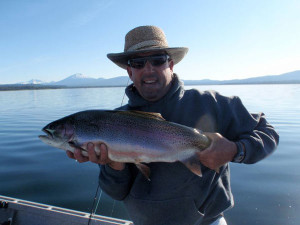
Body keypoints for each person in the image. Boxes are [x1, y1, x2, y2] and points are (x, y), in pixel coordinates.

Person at [67, 25, 279, 225]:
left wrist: (236, 150)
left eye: (157, 59)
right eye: (137, 64)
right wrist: (114, 164)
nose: (148, 70)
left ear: (170, 64)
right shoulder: (114, 123)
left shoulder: (211, 103)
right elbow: (116, 193)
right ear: (129, 72)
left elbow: (267, 133)